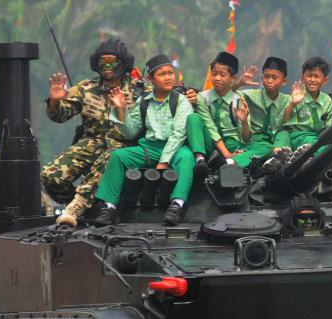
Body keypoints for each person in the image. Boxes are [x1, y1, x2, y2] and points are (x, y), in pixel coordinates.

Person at [42, 39, 149, 227]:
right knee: (50, 177)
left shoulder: (140, 90)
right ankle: (81, 207)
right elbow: (59, 116)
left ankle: (75, 208)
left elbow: (165, 102)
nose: (107, 66)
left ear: (123, 63)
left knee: (109, 158)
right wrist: (54, 102)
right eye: (103, 61)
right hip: (92, 142)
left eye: (112, 61)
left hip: (126, 144)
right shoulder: (85, 88)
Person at [94, 54, 195, 227]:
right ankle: (109, 207)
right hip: (150, 149)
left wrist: (164, 162)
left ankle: (176, 206)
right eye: (162, 74)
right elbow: (130, 132)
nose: (168, 77)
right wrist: (121, 110)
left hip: (176, 148)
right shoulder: (143, 102)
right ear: (150, 79)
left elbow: (179, 134)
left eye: (170, 73)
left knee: (186, 158)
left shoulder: (181, 101)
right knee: (118, 156)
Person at [186, 51, 249, 181]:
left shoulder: (239, 101)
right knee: (193, 118)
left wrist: (244, 122)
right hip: (210, 145)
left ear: (233, 78)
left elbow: (246, 139)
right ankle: (200, 160)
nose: (217, 78)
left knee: (260, 149)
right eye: (214, 74)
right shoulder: (202, 98)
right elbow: (210, 127)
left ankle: (229, 165)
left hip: (233, 145)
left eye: (222, 74)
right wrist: (227, 154)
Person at [234, 57, 293, 174]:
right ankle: (232, 163)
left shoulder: (288, 100)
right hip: (256, 139)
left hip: (276, 140)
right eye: (266, 77)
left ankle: (276, 156)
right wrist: (240, 83)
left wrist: (293, 103)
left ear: (284, 81)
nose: (269, 80)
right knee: (265, 147)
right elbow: (226, 94)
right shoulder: (251, 95)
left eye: (274, 77)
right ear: (262, 79)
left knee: (284, 133)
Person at [280, 56, 332, 161]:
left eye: (317, 76)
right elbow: (282, 121)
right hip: (297, 136)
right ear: (302, 78)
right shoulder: (295, 96)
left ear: (325, 80)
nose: (313, 80)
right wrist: (292, 104)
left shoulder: (327, 100)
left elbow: (328, 126)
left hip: (318, 137)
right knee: (319, 146)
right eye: (309, 76)